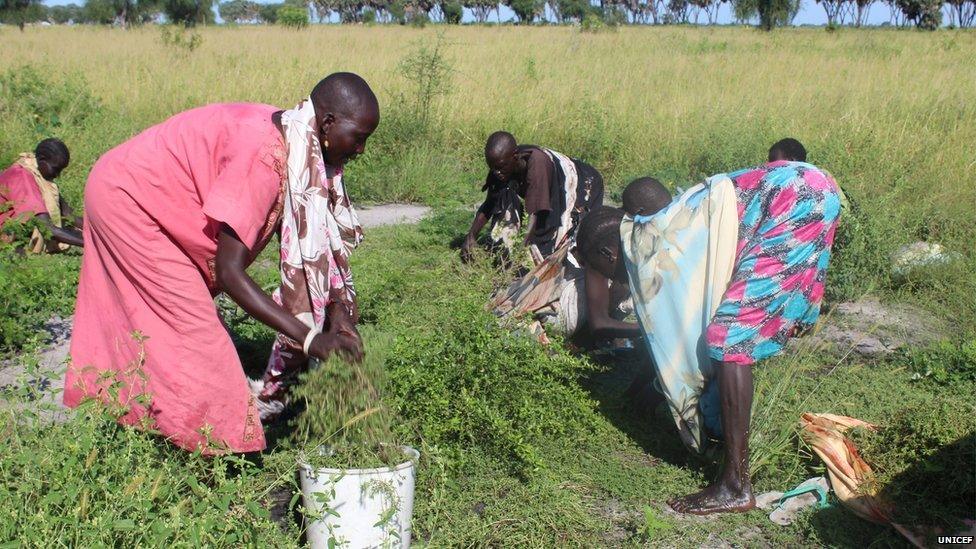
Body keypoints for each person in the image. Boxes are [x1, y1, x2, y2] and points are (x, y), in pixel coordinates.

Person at [65, 73, 379, 454]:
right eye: (358, 137)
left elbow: (320, 251)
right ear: (327, 123)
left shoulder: (304, 149)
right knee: (196, 340)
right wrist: (311, 339)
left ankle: (157, 427)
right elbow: (230, 273)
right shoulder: (267, 157)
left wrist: (339, 314)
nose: (361, 149)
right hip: (129, 202)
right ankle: (215, 461)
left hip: (157, 203)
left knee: (167, 330)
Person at [576, 160, 841, 515]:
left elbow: (671, 328)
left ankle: (735, 486)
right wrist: (636, 398)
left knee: (727, 339)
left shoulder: (653, 243)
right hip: (805, 185)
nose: (614, 280)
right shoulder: (671, 220)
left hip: (793, 199)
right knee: (730, 327)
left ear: (608, 253)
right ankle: (733, 462)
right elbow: (674, 331)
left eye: (605, 271)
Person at [490, 177, 669, 344]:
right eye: (662, 214)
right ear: (640, 212)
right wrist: (648, 330)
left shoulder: (621, 230)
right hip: (567, 311)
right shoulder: (607, 236)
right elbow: (599, 323)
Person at [461, 131, 604, 263]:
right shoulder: (501, 165)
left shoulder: (537, 165)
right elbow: (490, 202)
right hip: (552, 182)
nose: (496, 172)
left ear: (515, 156)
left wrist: (521, 251)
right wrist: (471, 236)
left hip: (585, 183)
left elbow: (536, 212)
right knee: (506, 207)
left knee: (568, 238)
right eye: (492, 167)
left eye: (500, 167)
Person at [0, 138, 83, 252]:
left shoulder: (39, 176)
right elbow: (47, 228)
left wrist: (100, 232)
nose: (57, 175)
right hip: (5, 234)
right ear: (42, 159)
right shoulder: (22, 176)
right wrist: (88, 243)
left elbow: (69, 214)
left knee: (72, 230)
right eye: (55, 169)